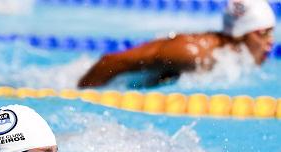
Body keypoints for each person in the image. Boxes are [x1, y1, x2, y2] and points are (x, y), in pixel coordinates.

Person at [78, 0, 276, 88]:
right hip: (101, 84)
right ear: (240, 33)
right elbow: (112, 60)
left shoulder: (228, 59)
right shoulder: (192, 53)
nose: (270, 43)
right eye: (263, 33)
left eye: (271, 33)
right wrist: (83, 94)